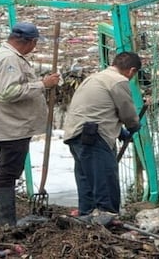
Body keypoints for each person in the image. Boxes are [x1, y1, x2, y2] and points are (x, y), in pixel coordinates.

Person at [0, 21, 61, 226]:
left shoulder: (7, 56)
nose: (35, 47)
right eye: (35, 43)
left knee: (6, 170)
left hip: (11, 123)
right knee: (8, 171)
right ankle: (6, 221)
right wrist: (43, 85)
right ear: (28, 42)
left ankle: (3, 219)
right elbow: (10, 92)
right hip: (10, 125)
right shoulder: (9, 59)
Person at [62, 51, 143, 218]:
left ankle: (86, 215)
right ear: (131, 70)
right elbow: (127, 111)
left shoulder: (95, 78)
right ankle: (108, 217)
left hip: (75, 132)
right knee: (105, 178)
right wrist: (133, 125)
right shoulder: (118, 81)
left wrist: (119, 131)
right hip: (94, 134)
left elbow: (98, 109)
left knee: (86, 177)